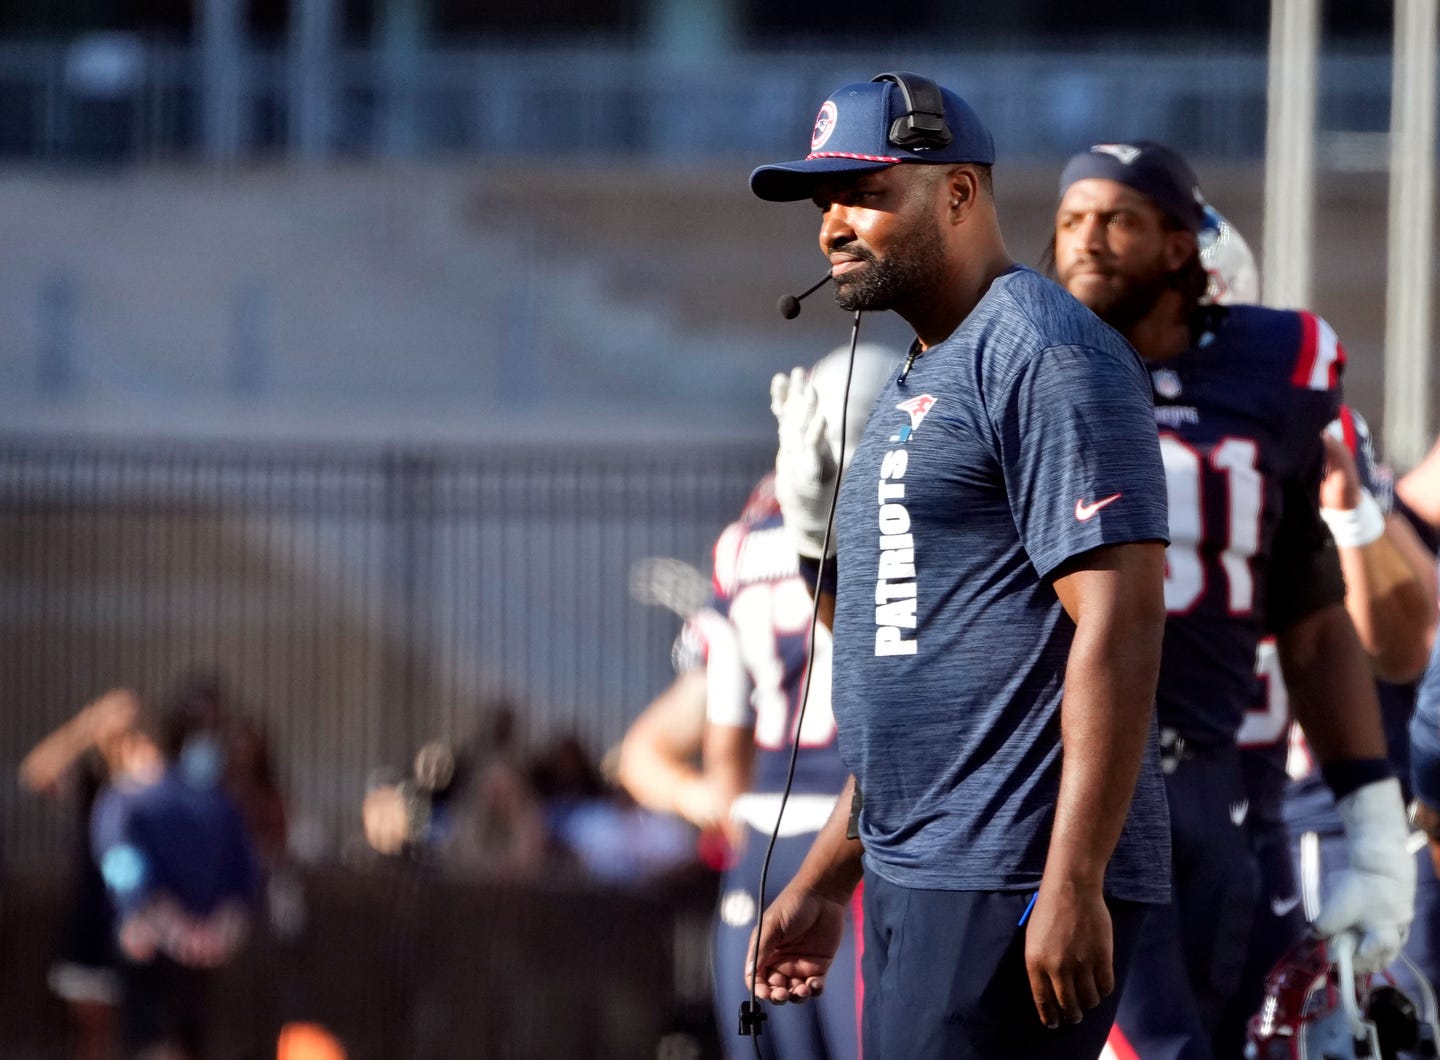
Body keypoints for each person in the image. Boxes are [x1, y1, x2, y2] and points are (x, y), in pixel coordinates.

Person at [746, 72, 1174, 1060]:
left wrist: (1071, 879)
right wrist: (826, 874)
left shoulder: (1043, 350)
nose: (832, 227)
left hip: (1009, 871)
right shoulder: (918, 375)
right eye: (824, 203)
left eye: (864, 194)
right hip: (922, 866)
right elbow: (913, 671)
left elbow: (1123, 617)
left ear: (958, 193)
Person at [1050, 141, 1417, 1058]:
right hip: (1075, 783)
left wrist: (1374, 831)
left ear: (1184, 255)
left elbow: (1327, 621)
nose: (1088, 244)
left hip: (1229, 788)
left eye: (1118, 221)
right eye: (1070, 222)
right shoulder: (1029, 368)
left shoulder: (1280, 376)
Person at [619, 343, 898, 1058]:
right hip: (864, 836)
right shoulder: (901, 529)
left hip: (765, 851)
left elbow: (722, 734)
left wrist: (725, 806)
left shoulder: (743, 545)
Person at [92, 691, 261, 1059]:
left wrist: (173, 927)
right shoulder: (216, 800)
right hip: (198, 950)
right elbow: (245, 881)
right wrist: (215, 932)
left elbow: (121, 870)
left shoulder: (124, 800)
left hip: (162, 949)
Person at [19, 688, 162, 1060]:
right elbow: (36, 776)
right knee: (96, 1033)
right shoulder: (93, 785)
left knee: (150, 1035)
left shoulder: (165, 791)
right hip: (96, 923)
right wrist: (86, 728)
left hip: (152, 926)